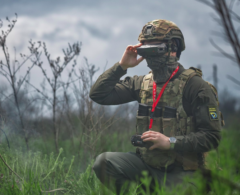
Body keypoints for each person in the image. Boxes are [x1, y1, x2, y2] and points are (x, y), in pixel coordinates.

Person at [89, 19, 223, 194]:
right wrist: (122, 67)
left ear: (173, 48)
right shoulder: (142, 83)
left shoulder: (195, 87)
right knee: (104, 163)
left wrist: (170, 142)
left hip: (184, 173)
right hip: (149, 167)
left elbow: (212, 137)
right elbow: (99, 94)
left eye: (154, 49)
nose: (150, 56)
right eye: (145, 50)